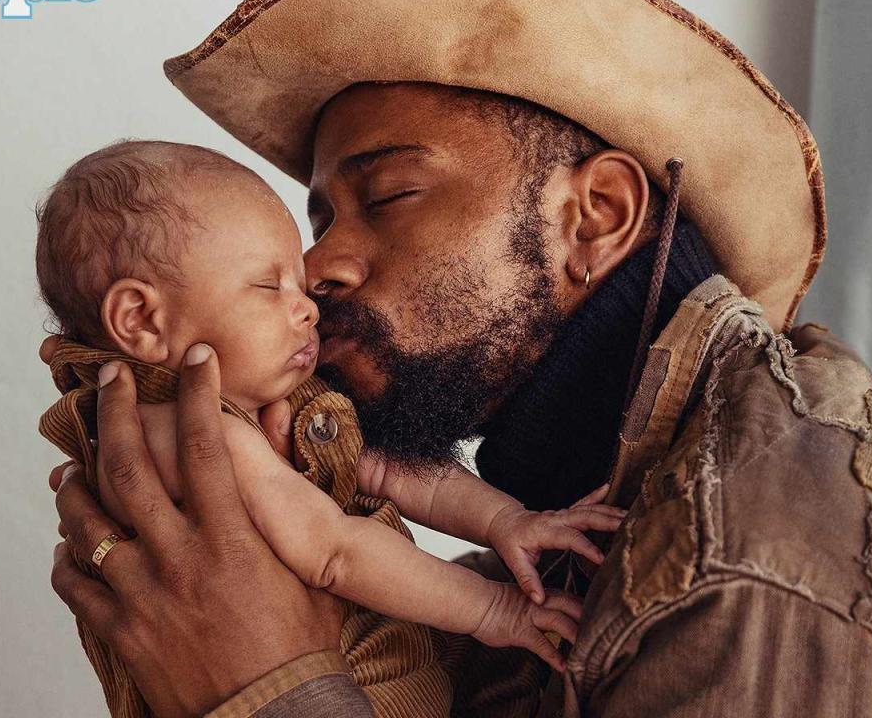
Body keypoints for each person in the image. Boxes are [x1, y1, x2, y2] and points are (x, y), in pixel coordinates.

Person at [48, 0, 872, 717]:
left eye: (388, 194)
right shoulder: (603, 521)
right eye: (316, 217)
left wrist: (262, 679)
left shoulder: (757, 568)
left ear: (598, 217)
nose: (319, 267)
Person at [36, 139, 624, 716]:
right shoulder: (185, 437)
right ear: (140, 319)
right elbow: (334, 554)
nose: (310, 304)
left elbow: (390, 468)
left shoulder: (272, 404)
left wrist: (506, 522)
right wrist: (498, 612)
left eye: (298, 277)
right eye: (270, 286)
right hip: (350, 691)